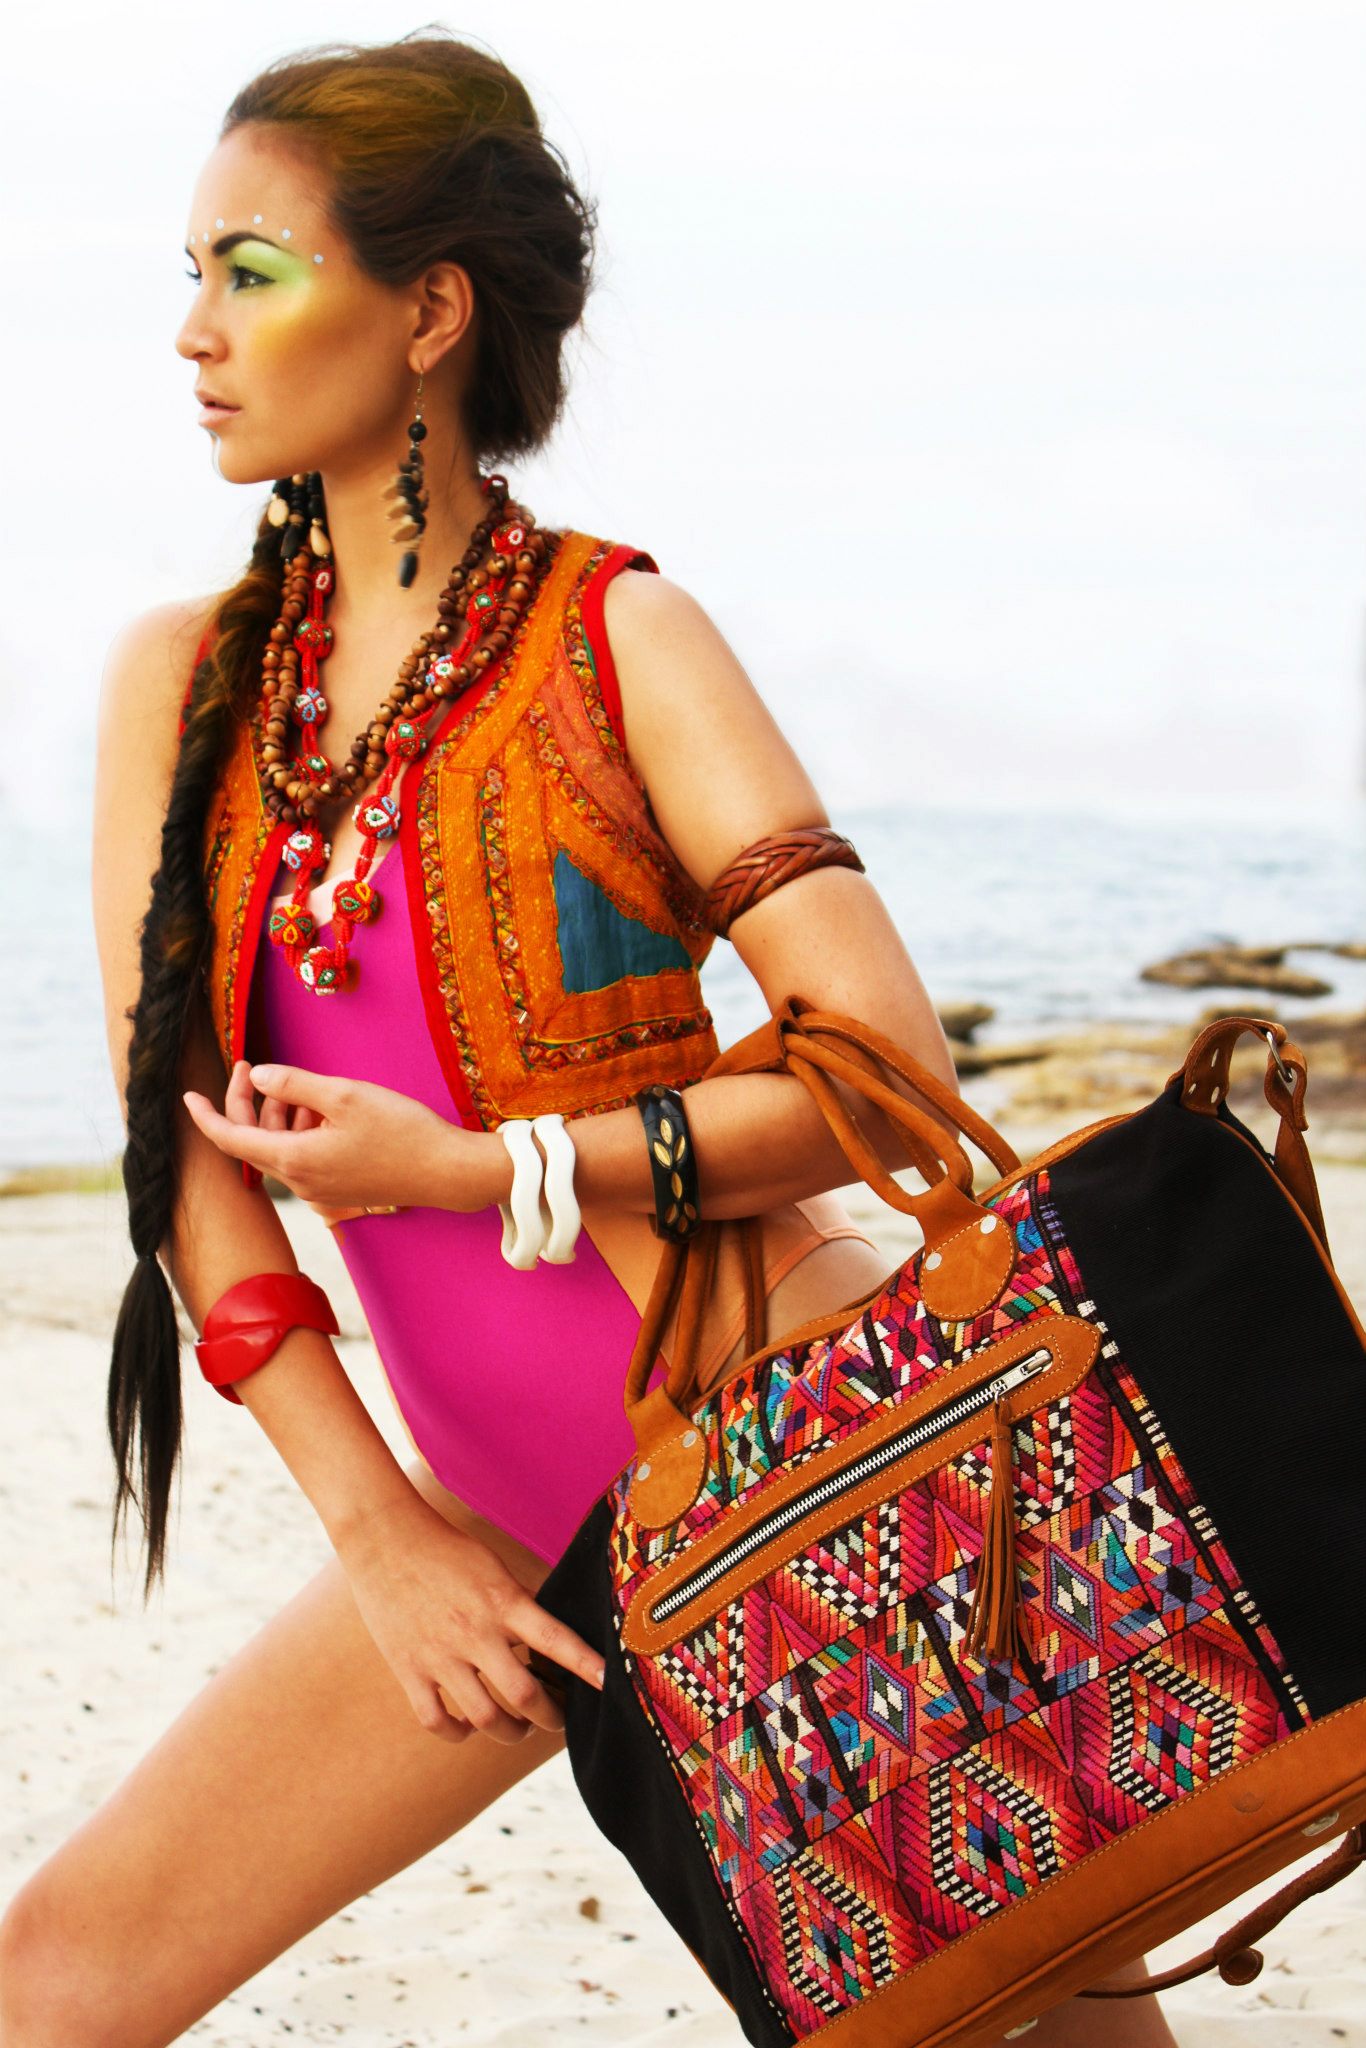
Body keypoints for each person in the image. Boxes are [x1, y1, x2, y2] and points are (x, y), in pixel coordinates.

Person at [0, 30, 1178, 2048]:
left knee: (1040, 2026)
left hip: (798, 1470)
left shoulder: (618, 637)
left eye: (250, 273)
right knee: (59, 1978)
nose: (193, 331)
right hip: (480, 1514)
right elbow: (177, 1157)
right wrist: (377, 1533)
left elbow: (882, 1066)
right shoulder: (182, 688)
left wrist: (482, 1170)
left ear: (428, 313)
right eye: (188, 276)